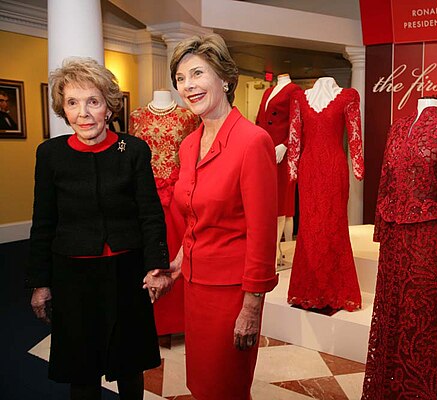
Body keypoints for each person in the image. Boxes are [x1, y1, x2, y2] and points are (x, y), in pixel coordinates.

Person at [26, 57, 173, 400]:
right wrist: (40, 283)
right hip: (73, 275)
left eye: (93, 101)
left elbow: (150, 214)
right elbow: (43, 221)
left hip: (127, 273)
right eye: (73, 103)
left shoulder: (132, 150)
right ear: (62, 109)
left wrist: (156, 266)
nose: (84, 113)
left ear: (108, 106)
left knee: (129, 363)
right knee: (83, 368)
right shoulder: (50, 155)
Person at [168, 34, 278, 399]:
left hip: (232, 294)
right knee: (201, 384)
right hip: (196, 287)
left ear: (225, 79)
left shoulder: (252, 141)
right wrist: (179, 262)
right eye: (181, 79)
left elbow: (262, 235)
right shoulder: (188, 145)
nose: (188, 86)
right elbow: (195, 218)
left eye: (197, 74)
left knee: (225, 387)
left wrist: (251, 308)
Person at [362, 97, 437, 400]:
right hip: (393, 235)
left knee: (422, 321)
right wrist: (380, 226)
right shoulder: (399, 126)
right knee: (390, 314)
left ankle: (420, 392)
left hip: (427, 238)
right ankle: (386, 388)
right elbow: (385, 179)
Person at [286, 76, 364, 312]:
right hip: (309, 168)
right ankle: (308, 289)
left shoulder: (349, 97)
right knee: (309, 226)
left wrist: (358, 165)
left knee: (334, 224)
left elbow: (354, 134)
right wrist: (292, 167)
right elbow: (294, 136)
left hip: (334, 167)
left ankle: (335, 289)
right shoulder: (299, 97)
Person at [129, 90, 199, 336]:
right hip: (143, 194)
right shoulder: (135, 116)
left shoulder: (188, 116)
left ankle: (180, 320)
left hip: (176, 194)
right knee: (144, 254)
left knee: (176, 255)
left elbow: (193, 156)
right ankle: (148, 319)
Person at [255, 73, 302, 267]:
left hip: (281, 154)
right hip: (266, 149)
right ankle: (270, 251)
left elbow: (297, 122)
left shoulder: (295, 91)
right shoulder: (267, 91)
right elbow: (260, 119)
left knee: (281, 203)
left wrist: (285, 145)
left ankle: (274, 253)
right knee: (266, 200)